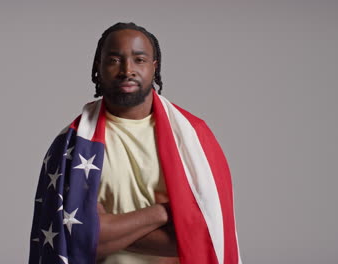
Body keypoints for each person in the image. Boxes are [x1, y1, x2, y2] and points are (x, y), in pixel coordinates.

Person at [29, 22, 242, 264]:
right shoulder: (72, 144)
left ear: (154, 67)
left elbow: (205, 236)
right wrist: (164, 212)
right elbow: (77, 239)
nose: (127, 70)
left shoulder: (195, 138)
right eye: (114, 60)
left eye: (139, 60)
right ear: (98, 67)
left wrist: (108, 228)